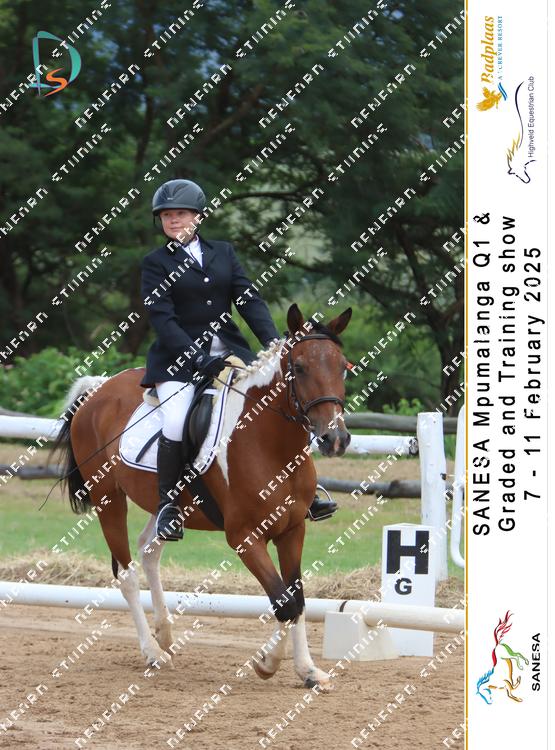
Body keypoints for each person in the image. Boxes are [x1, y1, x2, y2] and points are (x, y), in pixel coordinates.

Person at [139, 179, 337, 540]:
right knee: (176, 420)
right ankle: (169, 505)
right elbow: (163, 320)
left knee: (282, 402)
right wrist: (198, 358)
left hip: (232, 354)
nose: (173, 220)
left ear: (198, 217)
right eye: (166, 216)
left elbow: (248, 300)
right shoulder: (155, 263)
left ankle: (306, 492)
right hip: (179, 363)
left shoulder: (223, 253)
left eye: (180, 213)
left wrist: (275, 344)